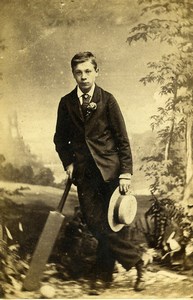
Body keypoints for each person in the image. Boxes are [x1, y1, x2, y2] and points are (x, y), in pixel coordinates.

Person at [54, 51, 146, 294]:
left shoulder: (108, 100)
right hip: (85, 175)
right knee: (96, 225)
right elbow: (60, 140)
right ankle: (138, 261)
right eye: (78, 72)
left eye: (88, 71)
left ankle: (104, 277)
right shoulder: (66, 103)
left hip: (111, 173)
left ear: (96, 72)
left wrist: (126, 173)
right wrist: (68, 163)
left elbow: (122, 140)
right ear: (73, 74)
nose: (83, 77)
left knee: (109, 225)